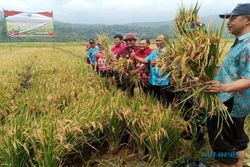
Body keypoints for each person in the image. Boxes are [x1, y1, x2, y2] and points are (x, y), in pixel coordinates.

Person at [205, 3, 250, 167]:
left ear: (247, 19)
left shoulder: (248, 44)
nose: (228, 22)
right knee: (237, 141)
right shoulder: (239, 43)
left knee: (223, 145)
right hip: (236, 102)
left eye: (232, 18)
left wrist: (223, 88)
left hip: (230, 102)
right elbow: (232, 72)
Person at [131, 34, 174, 105]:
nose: (157, 42)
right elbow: (146, 60)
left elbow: (173, 64)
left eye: (159, 41)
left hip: (165, 81)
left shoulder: (170, 51)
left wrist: (158, 63)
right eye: (156, 40)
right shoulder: (155, 51)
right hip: (154, 81)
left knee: (165, 102)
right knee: (156, 100)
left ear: (165, 41)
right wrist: (135, 57)